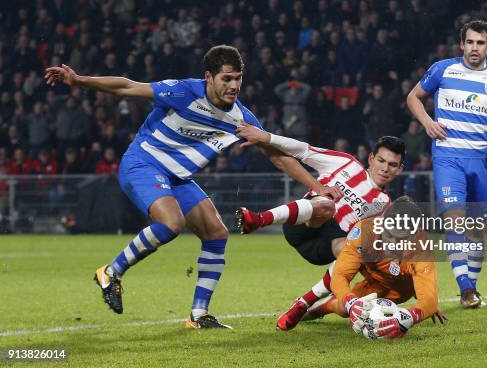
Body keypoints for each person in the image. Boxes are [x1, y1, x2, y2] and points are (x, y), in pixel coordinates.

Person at [44, 45, 340, 329]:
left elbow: (278, 157)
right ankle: (110, 272)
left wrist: (318, 186)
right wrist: (79, 80)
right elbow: (127, 86)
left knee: (216, 232)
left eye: (238, 78)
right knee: (172, 222)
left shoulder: (241, 118)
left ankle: (199, 315)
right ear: (209, 77)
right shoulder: (183, 91)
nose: (234, 85)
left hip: (177, 176)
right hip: (143, 163)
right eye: (227, 78)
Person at [234, 124, 404, 330]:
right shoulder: (346, 163)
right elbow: (303, 149)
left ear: (400, 169)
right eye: (381, 161)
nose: (385, 168)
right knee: (326, 205)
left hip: (326, 247)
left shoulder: (384, 205)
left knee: (358, 248)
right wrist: (267, 137)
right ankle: (258, 219)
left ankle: (303, 303)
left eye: (393, 165)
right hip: (303, 223)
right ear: (371, 158)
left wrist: (418, 291)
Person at [406, 20, 487, 308]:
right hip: (448, 156)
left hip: (481, 159)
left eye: (480, 43)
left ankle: (470, 287)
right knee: (454, 218)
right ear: (462, 44)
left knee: (476, 228)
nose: (474, 48)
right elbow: (413, 97)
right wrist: (427, 123)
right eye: (469, 42)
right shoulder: (443, 69)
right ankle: (466, 289)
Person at [296, 196, 447, 338]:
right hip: (375, 282)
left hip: (402, 290)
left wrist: (413, 314)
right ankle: (320, 307)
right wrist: (350, 302)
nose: (393, 243)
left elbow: (429, 301)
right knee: (343, 309)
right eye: (389, 234)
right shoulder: (363, 232)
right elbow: (340, 275)